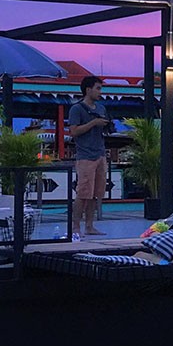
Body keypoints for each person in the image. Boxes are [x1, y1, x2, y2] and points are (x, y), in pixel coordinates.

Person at [68, 76, 111, 240]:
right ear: (88, 89)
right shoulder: (76, 109)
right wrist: (93, 123)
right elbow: (74, 131)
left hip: (100, 153)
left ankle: (90, 226)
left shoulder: (101, 108)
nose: (100, 92)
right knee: (83, 193)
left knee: (95, 193)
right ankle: (75, 227)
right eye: (98, 88)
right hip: (85, 156)